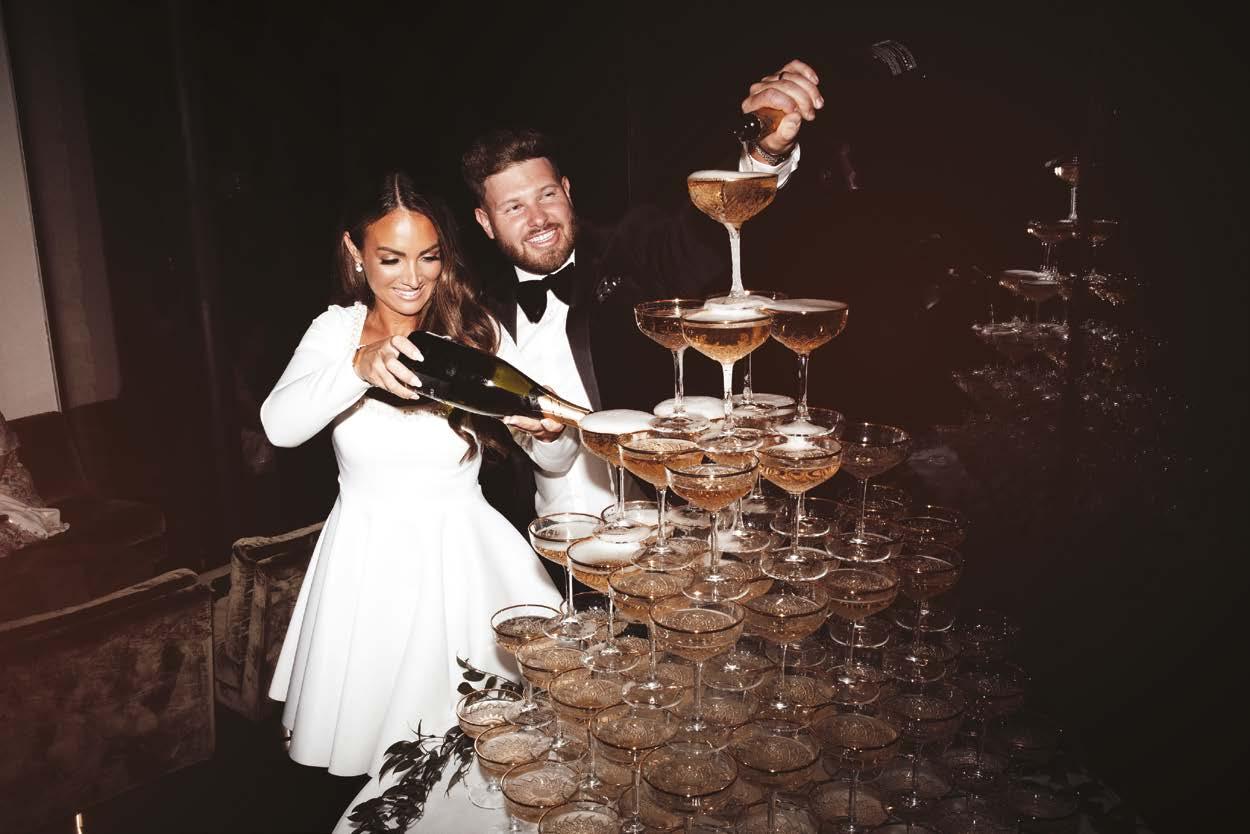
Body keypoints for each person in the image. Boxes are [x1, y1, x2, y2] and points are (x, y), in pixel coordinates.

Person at [260, 171, 568, 779]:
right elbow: (279, 426)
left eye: (428, 257)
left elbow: (551, 460)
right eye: (391, 258)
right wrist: (359, 366)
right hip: (366, 569)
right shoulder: (336, 332)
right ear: (356, 252)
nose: (413, 277)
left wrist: (548, 437)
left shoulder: (477, 331)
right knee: (388, 761)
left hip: (467, 562)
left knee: (498, 757)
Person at [461, 59, 825, 523]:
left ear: (568, 191)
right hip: (545, 540)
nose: (538, 219)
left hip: (665, 525)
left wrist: (763, 153)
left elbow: (699, 236)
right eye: (514, 207)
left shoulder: (630, 251)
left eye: (547, 195)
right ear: (485, 222)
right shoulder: (478, 315)